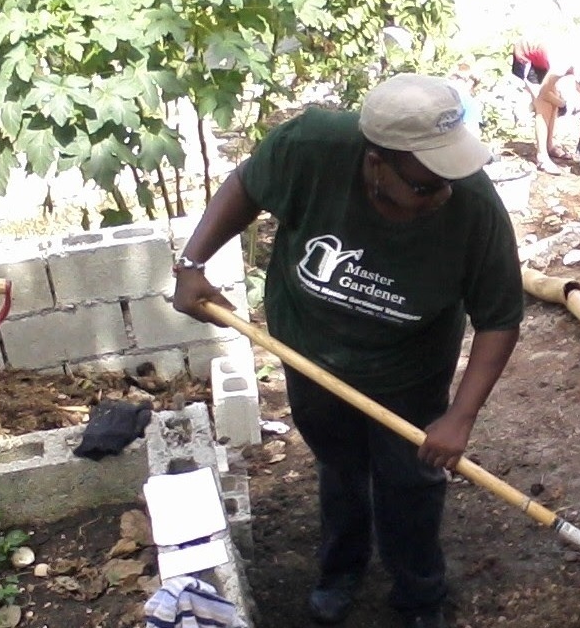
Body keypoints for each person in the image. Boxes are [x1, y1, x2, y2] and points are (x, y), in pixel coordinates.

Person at [171, 73, 524, 628]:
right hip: (310, 352)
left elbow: (500, 319)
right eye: (427, 186)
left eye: (451, 178)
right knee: (339, 465)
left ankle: (420, 594)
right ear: (376, 161)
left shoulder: (474, 206)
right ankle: (340, 571)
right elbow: (246, 185)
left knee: (409, 479)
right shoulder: (311, 148)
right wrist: (192, 265)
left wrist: (460, 416)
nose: (444, 194)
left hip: (408, 366)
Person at [510, 36, 580, 174]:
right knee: (544, 106)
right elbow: (543, 94)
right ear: (577, 82)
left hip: (543, 61)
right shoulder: (561, 67)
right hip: (526, 57)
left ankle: (549, 146)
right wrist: (562, 104)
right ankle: (542, 158)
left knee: (554, 98)